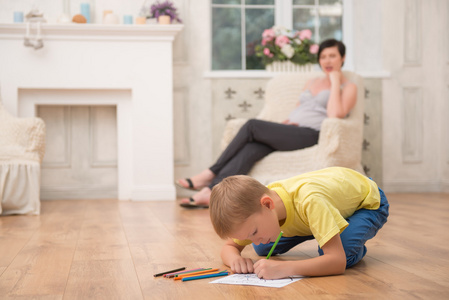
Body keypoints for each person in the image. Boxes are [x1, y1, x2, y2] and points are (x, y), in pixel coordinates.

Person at [177, 39, 357, 208]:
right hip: (291, 130)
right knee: (251, 149)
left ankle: (210, 172)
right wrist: (285, 125)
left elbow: (335, 115)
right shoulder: (312, 82)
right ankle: (211, 192)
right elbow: (299, 108)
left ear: (343, 58)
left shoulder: (348, 87)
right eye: (323, 56)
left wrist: (335, 82)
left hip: (311, 134)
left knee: (252, 126)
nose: (327, 61)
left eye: (332, 56)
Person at [209, 167, 389, 279]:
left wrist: (285, 268)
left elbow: (337, 262)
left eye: (254, 232)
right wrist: (236, 260)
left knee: (340, 254)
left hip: (367, 202)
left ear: (267, 204)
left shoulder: (309, 201)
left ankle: (339, 236)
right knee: (263, 249)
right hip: (319, 211)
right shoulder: (260, 209)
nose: (253, 240)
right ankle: (322, 229)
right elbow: (228, 247)